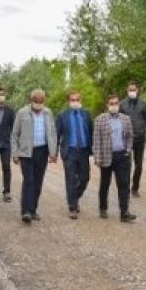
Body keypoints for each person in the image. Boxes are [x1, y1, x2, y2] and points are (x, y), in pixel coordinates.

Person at [12, 88, 57, 224]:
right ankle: (25, 211)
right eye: (36, 101)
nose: (38, 103)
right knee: (29, 180)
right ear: (31, 100)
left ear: (44, 100)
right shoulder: (22, 113)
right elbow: (14, 134)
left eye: (41, 101)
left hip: (42, 151)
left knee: (38, 181)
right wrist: (15, 153)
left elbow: (52, 133)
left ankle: (33, 209)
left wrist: (53, 152)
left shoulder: (48, 113)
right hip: (26, 152)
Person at [94, 94, 136, 222]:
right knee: (105, 183)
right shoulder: (100, 119)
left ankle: (124, 212)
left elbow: (130, 136)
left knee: (123, 184)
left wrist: (128, 151)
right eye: (111, 103)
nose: (114, 106)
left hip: (122, 155)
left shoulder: (125, 119)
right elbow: (96, 140)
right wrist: (97, 156)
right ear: (107, 105)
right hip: (106, 156)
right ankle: (103, 208)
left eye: (116, 103)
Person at [55, 89, 93, 219]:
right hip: (69, 150)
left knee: (85, 178)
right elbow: (57, 134)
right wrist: (53, 152)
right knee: (71, 179)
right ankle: (72, 207)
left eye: (77, 100)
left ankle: (74, 196)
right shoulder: (62, 115)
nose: (75, 102)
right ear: (68, 101)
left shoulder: (86, 114)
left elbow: (91, 132)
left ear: (80, 100)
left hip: (83, 150)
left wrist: (93, 149)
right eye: (72, 100)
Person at [118, 80, 146, 198]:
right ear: (127, 90)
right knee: (126, 164)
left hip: (139, 137)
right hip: (126, 139)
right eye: (130, 90)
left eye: (134, 90)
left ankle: (135, 188)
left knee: (139, 165)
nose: (132, 92)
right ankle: (126, 188)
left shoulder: (143, 104)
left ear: (138, 90)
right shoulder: (122, 104)